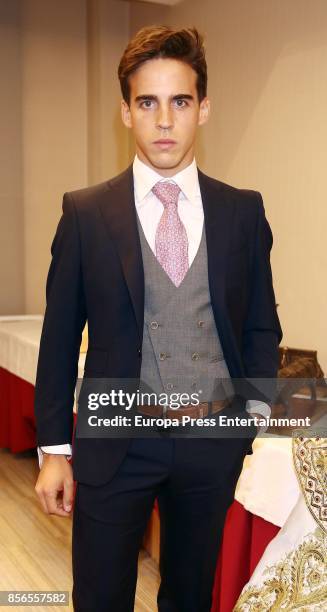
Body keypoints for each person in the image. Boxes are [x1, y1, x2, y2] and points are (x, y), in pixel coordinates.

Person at [34, 26, 282, 612]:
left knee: (190, 596)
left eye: (180, 102)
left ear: (204, 109)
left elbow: (260, 325)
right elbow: (59, 334)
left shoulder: (242, 211)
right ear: (126, 112)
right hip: (114, 439)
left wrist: (248, 416)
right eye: (148, 102)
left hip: (209, 442)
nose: (164, 120)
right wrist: (53, 450)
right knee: (99, 596)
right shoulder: (86, 212)